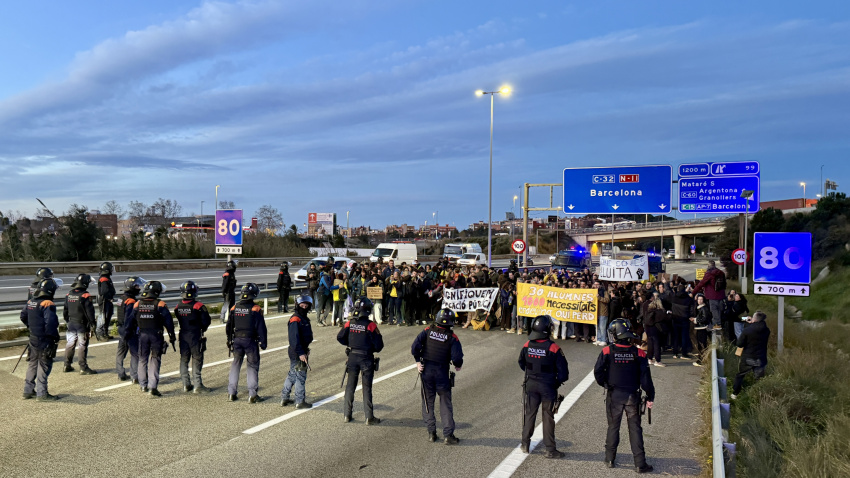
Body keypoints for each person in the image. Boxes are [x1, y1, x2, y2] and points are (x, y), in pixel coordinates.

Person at [594, 319, 655, 473]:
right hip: (632, 396)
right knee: (635, 429)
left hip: (614, 395)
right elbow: (645, 378)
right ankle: (640, 464)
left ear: (616, 335)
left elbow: (598, 372)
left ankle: (609, 459)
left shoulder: (607, 351)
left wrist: (606, 384)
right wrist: (650, 395)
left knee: (613, 427)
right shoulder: (639, 352)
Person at [411, 308, 464, 444]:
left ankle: (431, 433)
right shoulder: (452, 337)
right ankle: (448, 435)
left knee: (428, 402)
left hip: (426, 370)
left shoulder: (428, 330)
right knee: (445, 403)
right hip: (442, 373)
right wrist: (457, 365)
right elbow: (457, 358)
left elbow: (414, 347)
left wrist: (418, 361)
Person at [518, 315, 569, 458]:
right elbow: (564, 373)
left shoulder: (527, 345)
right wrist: (555, 381)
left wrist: (533, 374)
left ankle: (525, 443)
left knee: (529, 414)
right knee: (548, 417)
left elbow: (522, 363)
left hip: (531, 385)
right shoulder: (553, 348)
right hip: (548, 387)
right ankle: (550, 449)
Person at [337, 298, 384, 424]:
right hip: (366, 358)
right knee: (366, 388)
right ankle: (369, 417)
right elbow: (379, 346)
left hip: (352, 356)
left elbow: (340, 337)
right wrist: (369, 348)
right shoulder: (371, 325)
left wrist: (351, 344)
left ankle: (347, 415)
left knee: (350, 387)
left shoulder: (350, 323)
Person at [124, 281, 175, 397]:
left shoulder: (137, 304)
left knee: (142, 359)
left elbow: (130, 320)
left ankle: (143, 385)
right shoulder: (160, 304)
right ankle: (152, 387)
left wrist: (127, 333)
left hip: (142, 335)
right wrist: (172, 335)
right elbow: (169, 322)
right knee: (155, 359)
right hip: (156, 335)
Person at [20, 278, 61, 401]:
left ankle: (28, 391)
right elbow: (51, 323)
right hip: (44, 339)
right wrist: (54, 337)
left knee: (33, 363)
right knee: (44, 364)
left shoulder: (31, 302)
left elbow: (23, 316)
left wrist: (31, 327)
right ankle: (42, 394)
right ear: (50, 291)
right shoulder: (47, 304)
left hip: (33, 337)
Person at [226, 283, 268, 403]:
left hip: (237, 340)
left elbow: (229, 326)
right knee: (252, 366)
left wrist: (229, 339)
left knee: (235, 364)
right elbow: (261, 328)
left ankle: (231, 393)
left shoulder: (235, 308)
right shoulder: (256, 309)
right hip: (250, 341)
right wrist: (263, 342)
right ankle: (252, 395)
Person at [174, 281, 213, 393]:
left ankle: (186, 384)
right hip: (195, 335)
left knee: (184, 359)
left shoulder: (178, 306)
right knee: (197, 358)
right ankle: (198, 385)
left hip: (183, 334)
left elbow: (178, 317)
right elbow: (206, 321)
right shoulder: (198, 306)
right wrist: (202, 329)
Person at [281, 294, 315, 409]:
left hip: (300, 350)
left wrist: (305, 349)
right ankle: (300, 401)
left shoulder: (303, 317)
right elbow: (294, 339)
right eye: (302, 305)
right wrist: (301, 353)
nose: (304, 307)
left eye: (306, 305)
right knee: (300, 376)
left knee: (292, 373)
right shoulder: (295, 319)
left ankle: (284, 398)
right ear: (297, 305)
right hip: (297, 352)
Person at [62, 274, 97, 375]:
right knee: (82, 345)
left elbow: (65, 310)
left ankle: (66, 365)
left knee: (70, 344)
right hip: (82, 324)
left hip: (71, 323)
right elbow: (90, 312)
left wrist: (68, 321)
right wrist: (92, 323)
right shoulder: (85, 295)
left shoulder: (69, 295)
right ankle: (83, 367)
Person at [732, 311, 770, 400]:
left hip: (748, 357)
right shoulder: (767, 330)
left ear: (754, 319)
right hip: (761, 358)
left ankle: (735, 393)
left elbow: (740, 344)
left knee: (740, 375)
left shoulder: (748, 330)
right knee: (759, 379)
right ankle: (759, 397)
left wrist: (748, 325)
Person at [116, 276, 145, 383]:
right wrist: (129, 331)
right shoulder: (131, 301)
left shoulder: (120, 298)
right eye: (137, 286)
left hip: (120, 328)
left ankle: (120, 374)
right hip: (129, 330)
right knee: (135, 353)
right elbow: (129, 317)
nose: (138, 288)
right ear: (131, 287)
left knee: (121, 352)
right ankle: (135, 376)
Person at [692, 260, 726, 330]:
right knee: (719, 310)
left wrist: (693, 292)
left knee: (714, 310)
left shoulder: (709, 274)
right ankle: (719, 325)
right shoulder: (721, 273)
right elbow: (724, 284)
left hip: (712, 295)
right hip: (721, 295)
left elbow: (701, 284)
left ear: (708, 266)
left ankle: (717, 325)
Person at [689, 293, 712, 366]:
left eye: (701, 299)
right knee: (700, 344)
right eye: (699, 299)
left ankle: (701, 359)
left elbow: (704, 318)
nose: (700, 301)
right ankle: (701, 358)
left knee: (702, 344)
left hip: (702, 327)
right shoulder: (699, 307)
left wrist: (695, 319)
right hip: (699, 327)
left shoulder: (704, 308)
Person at [97, 261, 116, 340]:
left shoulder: (106, 277)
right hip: (105, 301)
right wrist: (109, 298)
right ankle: (101, 334)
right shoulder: (104, 278)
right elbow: (104, 291)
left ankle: (105, 333)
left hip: (107, 301)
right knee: (104, 317)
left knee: (108, 317)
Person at [220, 260, 238, 324]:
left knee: (232, 306)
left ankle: (231, 319)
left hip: (231, 291)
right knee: (226, 305)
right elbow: (225, 284)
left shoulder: (231, 273)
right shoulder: (227, 274)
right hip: (228, 292)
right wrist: (223, 292)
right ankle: (222, 318)